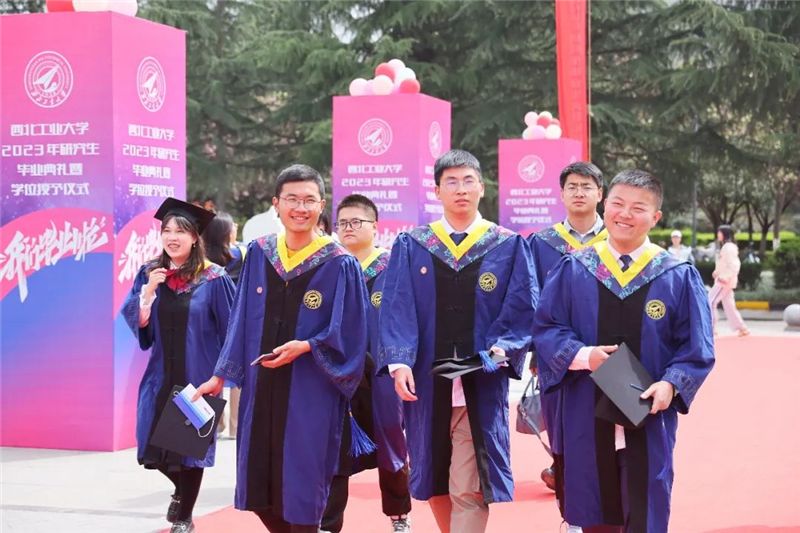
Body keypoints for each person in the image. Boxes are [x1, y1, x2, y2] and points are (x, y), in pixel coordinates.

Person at [532, 169, 715, 532]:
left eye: (638, 208)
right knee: (596, 515)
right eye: (618, 204)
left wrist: (671, 384)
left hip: (648, 416)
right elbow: (547, 327)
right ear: (606, 206)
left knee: (645, 513)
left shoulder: (676, 274)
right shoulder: (575, 268)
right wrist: (582, 356)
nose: (625, 214)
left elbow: (696, 347)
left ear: (656, 217)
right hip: (586, 412)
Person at [194, 164, 369, 533]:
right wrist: (220, 375)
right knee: (259, 487)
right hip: (261, 389)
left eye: (309, 200)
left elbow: (352, 332)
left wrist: (307, 345)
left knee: (304, 484)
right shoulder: (260, 253)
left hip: (311, 390)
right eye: (292, 199)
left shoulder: (339, 263)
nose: (300, 208)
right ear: (276, 204)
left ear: (321, 205)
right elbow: (241, 319)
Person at [377, 149, 537, 533]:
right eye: (451, 182)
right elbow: (397, 306)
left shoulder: (506, 244)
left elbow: (522, 305)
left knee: (468, 486)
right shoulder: (413, 244)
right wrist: (399, 361)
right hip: (426, 383)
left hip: (479, 382)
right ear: (437, 191)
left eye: (468, 181)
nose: (460, 189)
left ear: (482, 188)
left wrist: (502, 349)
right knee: (433, 480)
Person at [122, 198, 236, 533]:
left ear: (195, 238)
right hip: (159, 375)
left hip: (197, 376)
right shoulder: (150, 273)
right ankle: (180, 490)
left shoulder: (213, 278)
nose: (172, 237)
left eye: (181, 231)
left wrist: (222, 374)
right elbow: (138, 322)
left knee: (189, 451)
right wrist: (149, 293)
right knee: (150, 447)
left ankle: (185, 517)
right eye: (167, 231)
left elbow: (232, 328)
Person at [320, 194, 412, 533]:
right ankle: (329, 523)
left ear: (375, 226)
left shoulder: (392, 267)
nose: (348, 228)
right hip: (341, 373)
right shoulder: (331, 267)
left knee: (391, 439)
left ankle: (399, 514)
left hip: (383, 372)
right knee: (335, 445)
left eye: (356, 222)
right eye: (342, 223)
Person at [527, 161, 607, 499]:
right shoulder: (542, 243)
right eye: (572, 187)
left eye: (586, 186)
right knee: (562, 432)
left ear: (600, 194)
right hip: (556, 354)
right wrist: (534, 352)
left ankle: (608, 509)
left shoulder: (617, 239)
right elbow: (530, 298)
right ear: (561, 194)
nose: (579, 192)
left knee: (613, 433)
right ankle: (572, 510)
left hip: (609, 352)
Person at [202, 212, 247, 439]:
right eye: (233, 225)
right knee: (237, 368)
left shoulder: (202, 260)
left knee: (212, 370)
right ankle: (235, 427)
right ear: (226, 232)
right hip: (236, 317)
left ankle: (216, 424)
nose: (236, 227)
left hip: (209, 321)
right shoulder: (242, 253)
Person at [708, 225, 749, 336]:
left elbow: (734, 265)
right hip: (726, 280)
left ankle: (710, 328)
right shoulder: (727, 246)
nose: (718, 234)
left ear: (724, 234)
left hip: (724, 281)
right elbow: (726, 264)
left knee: (710, 302)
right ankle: (742, 328)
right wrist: (717, 272)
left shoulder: (728, 247)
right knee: (729, 306)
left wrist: (724, 277)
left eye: (719, 232)